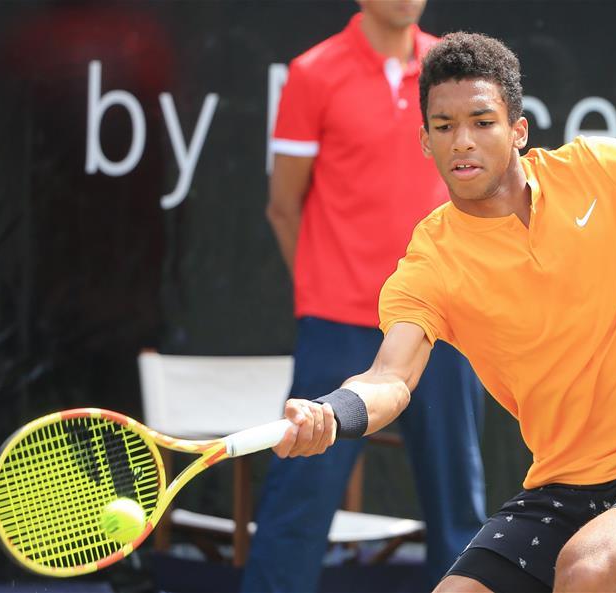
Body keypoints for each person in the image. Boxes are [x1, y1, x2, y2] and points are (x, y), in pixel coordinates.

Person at [270, 32, 616, 593]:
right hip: (563, 488)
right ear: (425, 140)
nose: (462, 141)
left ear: (518, 130)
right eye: (444, 127)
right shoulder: (431, 261)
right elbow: (390, 379)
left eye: (482, 122)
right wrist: (334, 411)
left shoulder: (598, 168)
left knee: (588, 570)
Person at [241, 4, 487, 592]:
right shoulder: (313, 72)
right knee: (299, 499)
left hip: (445, 324)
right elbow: (284, 205)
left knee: (459, 506)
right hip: (338, 323)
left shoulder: (450, 66)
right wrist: (332, 282)